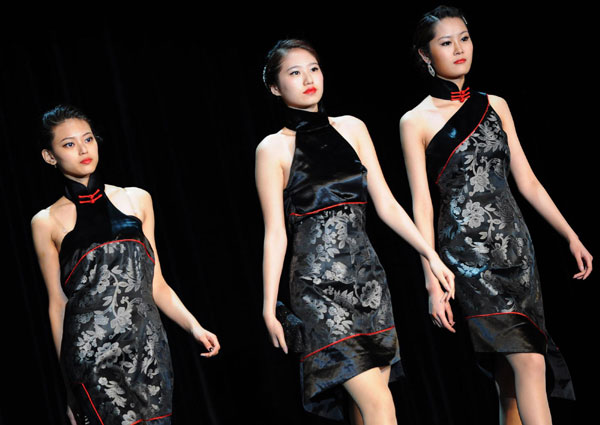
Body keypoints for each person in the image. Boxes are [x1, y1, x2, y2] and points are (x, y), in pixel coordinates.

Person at [399, 6, 593, 425]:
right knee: (530, 364)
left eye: (464, 38)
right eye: (446, 42)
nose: (459, 49)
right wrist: (432, 278)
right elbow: (422, 204)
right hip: (468, 260)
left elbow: (528, 182)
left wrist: (570, 235)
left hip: (518, 254)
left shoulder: (496, 105)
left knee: (509, 382)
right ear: (425, 55)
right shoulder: (414, 120)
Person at [255, 39, 455, 425]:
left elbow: (387, 204)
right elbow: (274, 233)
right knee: (380, 407)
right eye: (294, 73)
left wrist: (430, 255)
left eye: (313, 68)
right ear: (276, 88)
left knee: (364, 412)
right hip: (317, 291)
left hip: (368, 284)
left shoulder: (352, 128)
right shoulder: (273, 149)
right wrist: (268, 305)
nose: (308, 79)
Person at [31, 105, 221, 425]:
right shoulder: (45, 221)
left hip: (147, 347)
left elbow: (156, 283)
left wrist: (194, 326)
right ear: (50, 156)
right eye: (68, 144)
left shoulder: (137, 199)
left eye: (88, 139)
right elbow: (57, 304)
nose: (83, 149)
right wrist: (68, 387)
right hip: (91, 356)